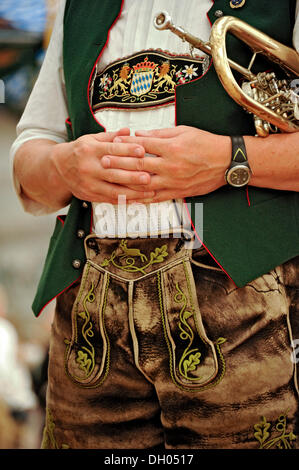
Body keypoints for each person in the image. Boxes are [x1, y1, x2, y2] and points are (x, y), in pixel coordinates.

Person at [10, 0, 299, 449]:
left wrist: (230, 160)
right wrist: (63, 166)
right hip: (90, 298)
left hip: (244, 294)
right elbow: (32, 160)